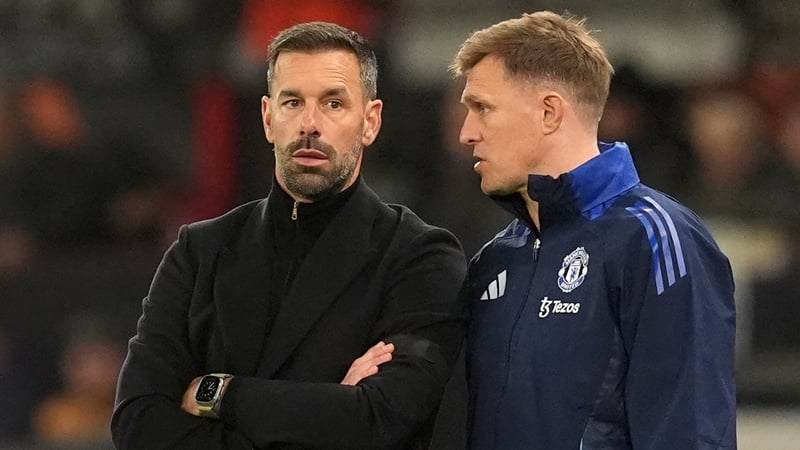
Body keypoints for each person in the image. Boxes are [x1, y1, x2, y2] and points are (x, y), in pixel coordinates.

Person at [112, 22, 467, 449]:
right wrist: (330, 408)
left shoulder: (420, 258)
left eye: (333, 103)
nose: (309, 125)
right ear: (267, 117)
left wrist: (220, 393)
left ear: (370, 122)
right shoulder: (198, 254)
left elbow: (383, 419)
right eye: (293, 102)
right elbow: (138, 423)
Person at [449, 11, 736, 449]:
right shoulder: (496, 258)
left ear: (549, 112)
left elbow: (689, 433)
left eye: (483, 108)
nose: (467, 132)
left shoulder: (655, 239)